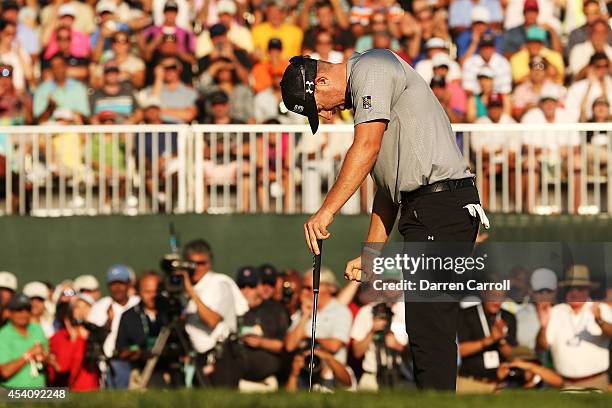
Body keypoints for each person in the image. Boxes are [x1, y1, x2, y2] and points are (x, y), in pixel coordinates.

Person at [281, 48, 487, 391]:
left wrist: (325, 211)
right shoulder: (372, 101)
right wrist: (371, 254)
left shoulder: (372, 66)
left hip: (442, 205)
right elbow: (388, 191)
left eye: (321, 108)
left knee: (430, 329)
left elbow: (366, 149)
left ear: (321, 81)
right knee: (424, 329)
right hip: (425, 209)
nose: (329, 117)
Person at [182, 239, 248, 387]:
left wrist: (191, 292)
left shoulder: (218, 283)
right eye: (192, 264)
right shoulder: (190, 287)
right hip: (199, 357)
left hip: (222, 356)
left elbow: (212, 320)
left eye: (201, 263)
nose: (197, 268)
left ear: (210, 263)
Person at [537, 265, 612, 391]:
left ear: (588, 290)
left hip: (596, 381)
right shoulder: (555, 311)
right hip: (563, 383)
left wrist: (599, 320)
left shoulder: (601, 309)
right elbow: (541, 346)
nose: (574, 292)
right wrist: (543, 327)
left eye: (580, 288)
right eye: (570, 288)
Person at [285, 268, 353, 386]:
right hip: (305, 374)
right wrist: (305, 315)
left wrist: (308, 336)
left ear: (327, 288)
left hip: (333, 376)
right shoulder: (302, 312)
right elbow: (289, 345)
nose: (304, 293)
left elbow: (334, 346)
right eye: (303, 288)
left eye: (308, 288)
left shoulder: (340, 311)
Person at [116, 272, 181, 388]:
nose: (152, 296)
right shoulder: (129, 316)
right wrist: (139, 353)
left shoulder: (171, 313)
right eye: (147, 292)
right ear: (139, 292)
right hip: (141, 374)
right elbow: (121, 350)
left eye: (156, 291)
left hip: (172, 373)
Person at [87, 264, 140, 389]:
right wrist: (107, 323)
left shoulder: (138, 303)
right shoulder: (100, 307)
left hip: (138, 361)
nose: (117, 288)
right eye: (113, 284)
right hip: (111, 364)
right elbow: (93, 339)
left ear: (128, 284)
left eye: (121, 283)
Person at [235, 266, 289, 385]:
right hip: (237, 380)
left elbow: (285, 346)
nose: (246, 290)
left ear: (258, 287)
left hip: (267, 380)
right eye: (242, 286)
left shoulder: (274, 310)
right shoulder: (232, 310)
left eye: (251, 286)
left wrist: (260, 342)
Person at [457, 289, 518, 393]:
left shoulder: (508, 317)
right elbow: (459, 351)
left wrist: (501, 340)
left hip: (500, 382)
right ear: (483, 293)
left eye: (501, 297)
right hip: (471, 381)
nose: (497, 301)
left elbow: (512, 355)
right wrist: (489, 340)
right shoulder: (465, 315)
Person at [350, 300, 408, 390]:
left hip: (402, 377)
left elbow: (422, 355)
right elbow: (357, 353)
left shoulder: (406, 309)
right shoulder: (367, 311)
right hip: (371, 377)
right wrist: (372, 331)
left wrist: (398, 346)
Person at [48, 294, 100, 391]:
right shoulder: (60, 337)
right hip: (71, 392)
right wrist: (74, 340)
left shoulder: (96, 334)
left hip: (93, 391)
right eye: (77, 307)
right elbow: (62, 368)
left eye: (86, 307)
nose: (82, 311)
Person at [0, 293, 49, 388]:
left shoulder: (37, 329)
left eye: (27, 309)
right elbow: (4, 372)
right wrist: (29, 355)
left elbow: (47, 357)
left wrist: (44, 358)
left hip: (39, 393)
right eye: (19, 310)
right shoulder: (3, 335)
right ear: (9, 313)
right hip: (12, 393)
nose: (24, 314)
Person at [33, 53, 90, 124]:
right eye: (54, 67)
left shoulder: (78, 88)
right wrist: (50, 108)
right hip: (49, 133)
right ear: (51, 70)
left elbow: (85, 117)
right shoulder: (42, 90)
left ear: (66, 67)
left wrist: (71, 118)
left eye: (60, 65)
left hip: (74, 132)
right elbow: (37, 121)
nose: (58, 69)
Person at [515, 268, 557, 350]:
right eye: (540, 291)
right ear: (530, 291)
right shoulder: (519, 317)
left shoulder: (563, 313)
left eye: (549, 291)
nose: (544, 296)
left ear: (556, 292)